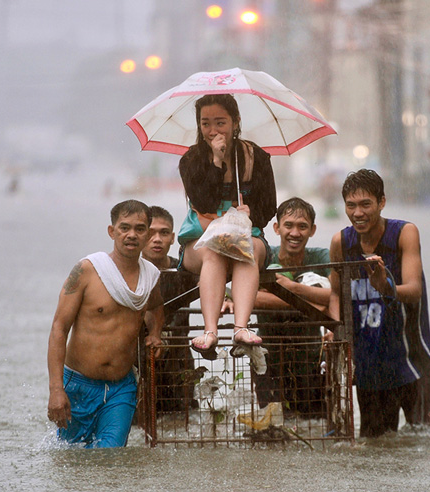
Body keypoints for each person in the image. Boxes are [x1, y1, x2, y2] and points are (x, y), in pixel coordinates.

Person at [327, 169, 430, 438]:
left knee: (421, 443)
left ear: (382, 202)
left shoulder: (404, 233)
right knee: (375, 447)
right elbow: (335, 293)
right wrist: (332, 328)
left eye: (366, 204)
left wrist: (384, 286)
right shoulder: (341, 242)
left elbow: (414, 290)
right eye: (351, 206)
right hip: (369, 367)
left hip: (412, 362)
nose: (358, 213)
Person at [47, 199, 165, 448]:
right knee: (73, 456)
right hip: (78, 384)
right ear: (112, 231)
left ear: (147, 235)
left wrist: (155, 332)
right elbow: (59, 328)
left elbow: (155, 305)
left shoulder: (150, 277)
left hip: (121, 386)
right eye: (124, 227)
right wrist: (56, 390)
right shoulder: (87, 271)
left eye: (140, 228)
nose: (131, 235)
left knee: (110, 455)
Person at [178, 93, 277, 359]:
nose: (213, 131)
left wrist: (251, 212)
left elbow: (269, 207)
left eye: (220, 123)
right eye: (205, 123)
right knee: (215, 252)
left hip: (247, 235)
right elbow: (203, 201)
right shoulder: (190, 160)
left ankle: (240, 328)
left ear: (235, 122)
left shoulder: (256, 157)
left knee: (247, 250)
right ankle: (210, 331)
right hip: (200, 240)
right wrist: (216, 161)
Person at [252, 197, 332, 416]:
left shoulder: (322, 257)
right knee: (270, 428)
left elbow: (337, 295)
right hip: (268, 362)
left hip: (310, 361)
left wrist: (292, 288)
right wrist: (312, 304)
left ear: (312, 230)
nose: (295, 233)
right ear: (277, 228)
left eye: (302, 226)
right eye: (289, 225)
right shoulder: (264, 257)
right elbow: (248, 298)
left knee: (314, 424)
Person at [141, 205, 198, 411]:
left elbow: (214, 284)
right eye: (150, 233)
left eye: (164, 233)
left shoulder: (184, 271)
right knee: (140, 422)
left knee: (181, 421)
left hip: (179, 362)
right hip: (140, 360)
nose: (157, 239)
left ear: (173, 238)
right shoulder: (129, 273)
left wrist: (228, 299)